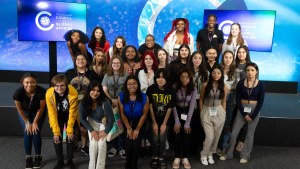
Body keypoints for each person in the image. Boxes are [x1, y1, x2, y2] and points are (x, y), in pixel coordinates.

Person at [220, 62, 265, 164]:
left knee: (249, 135)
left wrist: (252, 115)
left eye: (252, 70)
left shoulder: (261, 84)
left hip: (254, 110)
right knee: (233, 134)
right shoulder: (241, 83)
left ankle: (245, 155)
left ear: (256, 72)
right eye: (248, 70)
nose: (250, 72)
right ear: (245, 72)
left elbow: (261, 101)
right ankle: (228, 154)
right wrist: (244, 114)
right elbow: (238, 98)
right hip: (242, 110)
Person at [65, 53, 97, 155]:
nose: (80, 61)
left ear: (86, 61)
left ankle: (84, 146)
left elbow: (96, 88)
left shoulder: (92, 74)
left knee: (83, 126)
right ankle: (74, 144)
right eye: (78, 59)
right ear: (75, 61)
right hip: (71, 103)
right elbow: (63, 87)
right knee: (73, 125)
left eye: (83, 59)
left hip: (86, 103)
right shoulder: (69, 73)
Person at [13, 73, 46, 169]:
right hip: (25, 113)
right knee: (27, 132)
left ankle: (38, 156)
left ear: (36, 82)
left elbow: (41, 108)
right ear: (22, 83)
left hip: (38, 113)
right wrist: (27, 122)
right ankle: (28, 157)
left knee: (35, 132)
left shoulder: (41, 91)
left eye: (32, 82)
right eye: (27, 82)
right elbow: (20, 109)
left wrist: (35, 122)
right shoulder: (18, 92)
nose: (29, 84)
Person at [79, 81, 114, 169]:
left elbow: (111, 119)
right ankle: (91, 166)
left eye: (98, 91)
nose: (95, 93)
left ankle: (100, 167)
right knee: (94, 144)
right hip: (91, 122)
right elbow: (82, 119)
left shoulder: (105, 102)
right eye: (93, 90)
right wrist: (92, 131)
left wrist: (106, 131)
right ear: (89, 90)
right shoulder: (83, 103)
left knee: (102, 144)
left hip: (103, 122)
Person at [46, 74, 78, 169]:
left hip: (70, 115)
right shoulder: (49, 93)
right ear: (53, 86)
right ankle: (60, 161)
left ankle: (69, 161)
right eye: (56, 85)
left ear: (66, 85)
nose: (59, 88)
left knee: (70, 137)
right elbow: (51, 113)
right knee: (57, 138)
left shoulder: (73, 92)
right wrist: (56, 132)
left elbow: (73, 113)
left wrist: (69, 130)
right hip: (57, 116)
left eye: (62, 85)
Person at [146, 68, 176, 169]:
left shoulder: (171, 90)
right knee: (154, 139)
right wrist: (154, 123)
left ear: (167, 78)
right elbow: (149, 106)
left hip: (165, 120)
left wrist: (164, 124)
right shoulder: (150, 89)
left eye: (163, 77)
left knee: (162, 139)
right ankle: (154, 157)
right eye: (158, 77)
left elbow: (170, 108)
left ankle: (161, 157)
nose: (160, 79)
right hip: (153, 119)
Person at [118, 75, 150, 169]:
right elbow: (122, 114)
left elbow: (144, 114)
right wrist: (128, 128)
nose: (132, 86)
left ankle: (134, 166)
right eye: (129, 84)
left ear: (138, 84)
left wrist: (137, 129)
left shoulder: (144, 97)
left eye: (134, 83)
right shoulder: (122, 96)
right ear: (126, 85)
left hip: (139, 122)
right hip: (127, 121)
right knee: (128, 146)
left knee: (136, 145)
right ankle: (128, 165)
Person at [199, 66, 228, 165]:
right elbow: (201, 99)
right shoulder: (205, 85)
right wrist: (201, 111)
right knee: (210, 136)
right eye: (214, 73)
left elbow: (224, 101)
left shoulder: (224, 86)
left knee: (216, 136)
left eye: (218, 73)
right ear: (211, 74)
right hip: (206, 110)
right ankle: (204, 154)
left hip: (219, 111)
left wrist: (223, 113)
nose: (216, 75)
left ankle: (210, 153)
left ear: (221, 74)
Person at [102, 56, 127, 158]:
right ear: (111, 64)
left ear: (121, 64)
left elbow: (128, 88)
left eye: (118, 63)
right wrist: (112, 100)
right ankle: (113, 147)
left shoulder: (125, 75)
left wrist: (119, 100)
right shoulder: (107, 75)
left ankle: (121, 147)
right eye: (114, 63)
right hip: (110, 102)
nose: (116, 65)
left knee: (120, 124)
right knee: (112, 124)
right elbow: (104, 89)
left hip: (122, 102)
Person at [172, 68, 197, 169]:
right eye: (182, 77)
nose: (185, 79)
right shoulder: (174, 87)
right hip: (177, 111)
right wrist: (177, 121)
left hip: (188, 112)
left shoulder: (194, 88)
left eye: (187, 77)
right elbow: (173, 105)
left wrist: (187, 123)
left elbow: (192, 106)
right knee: (177, 133)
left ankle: (185, 157)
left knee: (187, 134)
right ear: (179, 77)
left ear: (190, 78)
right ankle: (177, 156)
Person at [217, 51, 240, 154]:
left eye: (230, 57)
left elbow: (237, 87)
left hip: (230, 99)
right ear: (223, 58)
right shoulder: (218, 69)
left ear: (233, 59)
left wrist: (227, 90)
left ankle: (223, 146)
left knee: (226, 123)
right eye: (226, 57)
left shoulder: (236, 71)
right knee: (217, 122)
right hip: (217, 98)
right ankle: (215, 146)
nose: (228, 59)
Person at [188, 51, 208, 155]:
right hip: (188, 101)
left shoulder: (205, 73)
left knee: (198, 124)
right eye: (195, 58)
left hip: (200, 101)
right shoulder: (187, 71)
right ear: (192, 59)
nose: (197, 60)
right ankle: (188, 146)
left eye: (200, 58)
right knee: (189, 124)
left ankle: (196, 147)